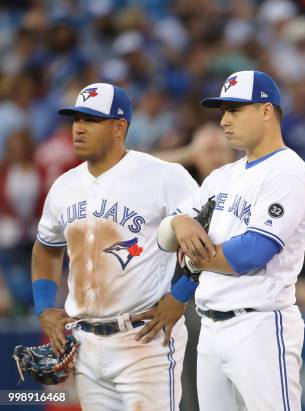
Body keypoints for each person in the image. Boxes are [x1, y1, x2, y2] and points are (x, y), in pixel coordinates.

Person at [153, 70, 305, 411]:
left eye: (234, 110)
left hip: (259, 324)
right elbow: (165, 238)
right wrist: (180, 222)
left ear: (266, 111)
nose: (224, 121)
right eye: (223, 111)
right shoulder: (221, 177)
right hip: (212, 326)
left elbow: (252, 252)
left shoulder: (288, 171)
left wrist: (193, 255)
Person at [32, 82, 198, 410]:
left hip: (144, 339)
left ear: (119, 126)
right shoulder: (64, 186)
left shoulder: (163, 176)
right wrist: (43, 306)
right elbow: (47, 247)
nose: (78, 127)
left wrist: (179, 296)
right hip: (86, 343)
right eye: (76, 119)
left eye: (91, 120)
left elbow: (207, 238)